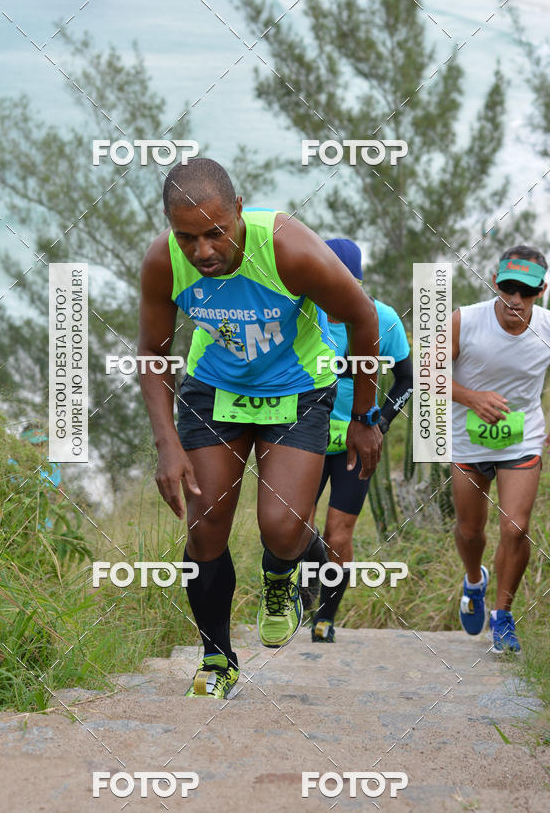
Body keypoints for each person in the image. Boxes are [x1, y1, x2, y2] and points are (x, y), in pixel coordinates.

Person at [137, 157, 382, 698]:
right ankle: (217, 659)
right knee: (205, 526)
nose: (202, 251)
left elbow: (363, 319)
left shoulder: (290, 250)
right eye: (187, 237)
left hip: (294, 387)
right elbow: (153, 354)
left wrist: (364, 417)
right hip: (215, 387)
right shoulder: (162, 261)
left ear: (240, 212)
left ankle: (281, 576)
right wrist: (166, 443)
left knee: (282, 526)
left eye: (215, 233)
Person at [303, 239, 413, 643]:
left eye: (347, 283)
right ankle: (308, 581)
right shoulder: (302, 317)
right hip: (307, 437)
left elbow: (406, 377)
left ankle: (325, 617)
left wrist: (379, 424)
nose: (336, 294)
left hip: (354, 442)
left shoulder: (382, 320)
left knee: (339, 534)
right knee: (295, 527)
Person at [452, 245, 550, 653]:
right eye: (508, 288)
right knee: (471, 531)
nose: (515, 299)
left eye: (525, 291)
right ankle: (474, 581)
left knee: (515, 527)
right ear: (495, 282)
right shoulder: (465, 320)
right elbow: (426, 375)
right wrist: (472, 398)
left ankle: (503, 615)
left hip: (521, 438)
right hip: (467, 441)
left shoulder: (547, 326)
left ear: (541, 290)